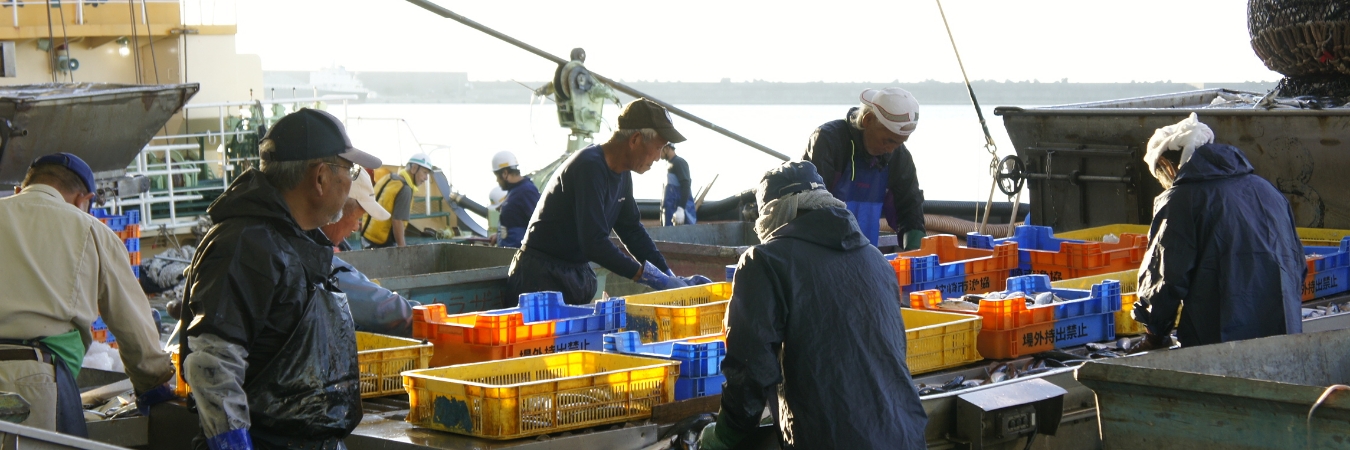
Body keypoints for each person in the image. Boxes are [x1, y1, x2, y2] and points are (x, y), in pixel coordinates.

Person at [178, 108, 381, 450]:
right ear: (320, 178)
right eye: (350, 170)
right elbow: (212, 363)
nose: (350, 182)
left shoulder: (290, 240)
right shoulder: (247, 245)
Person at [698, 161, 927, 449]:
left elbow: (750, 367)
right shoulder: (876, 260)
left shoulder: (764, 261)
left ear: (772, 214)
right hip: (906, 436)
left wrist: (727, 434)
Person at [0, 153, 174, 435]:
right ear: (84, 200)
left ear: (21, 190)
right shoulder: (91, 230)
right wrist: (152, 384)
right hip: (35, 384)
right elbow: (134, 328)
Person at [506, 98, 712, 305]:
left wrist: (668, 275)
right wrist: (652, 279)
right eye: (658, 147)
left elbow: (632, 230)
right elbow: (593, 243)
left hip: (574, 273)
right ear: (635, 140)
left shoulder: (622, 173)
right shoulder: (589, 167)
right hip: (541, 276)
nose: (659, 157)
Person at [1130, 113, 1304, 351]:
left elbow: (1165, 280)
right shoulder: (1267, 190)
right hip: (1284, 338)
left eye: (1160, 175)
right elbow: (1297, 263)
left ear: (1168, 165)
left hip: (1219, 345)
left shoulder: (1180, 200)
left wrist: (1155, 334)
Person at [803, 87, 925, 249]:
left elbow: (909, 209)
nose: (891, 149)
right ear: (868, 120)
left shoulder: (898, 156)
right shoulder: (829, 141)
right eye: (888, 141)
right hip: (822, 249)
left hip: (864, 255)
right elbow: (813, 204)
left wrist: (915, 254)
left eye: (899, 143)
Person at [320, 170, 418, 337]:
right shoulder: (315, 260)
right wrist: (420, 313)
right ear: (336, 209)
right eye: (357, 217)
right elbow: (374, 305)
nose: (356, 227)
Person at [362, 153, 433, 248]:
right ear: (414, 168)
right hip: (381, 244)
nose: (426, 178)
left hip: (366, 237)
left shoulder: (389, 178)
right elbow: (397, 221)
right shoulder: (405, 189)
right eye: (425, 172)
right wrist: (402, 248)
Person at [491, 151, 540, 249]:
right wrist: (499, 236)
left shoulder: (526, 191)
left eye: (497, 177)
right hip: (510, 254)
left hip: (520, 256)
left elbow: (539, 226)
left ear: (505, 173)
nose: (497, 180)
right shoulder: (514, 191)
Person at [660, 143, 697, 226]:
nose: (658, 152)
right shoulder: (668, 166)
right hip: (670, 214)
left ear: (667, 148)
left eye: (660, 148)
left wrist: (681, 209)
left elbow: (686, 185)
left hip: (681, 215)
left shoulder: (679, 162)